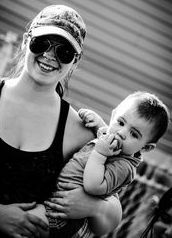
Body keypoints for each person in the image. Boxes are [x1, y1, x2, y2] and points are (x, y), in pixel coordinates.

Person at [0, 4, 122, 238]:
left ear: (75, 61)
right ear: (25, 41)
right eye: (42, 43)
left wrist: (94, 206)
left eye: (64, 52)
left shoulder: (77, 131)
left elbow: (109, 220)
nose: (49, 56)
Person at [28, 91, 170, 237]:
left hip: (63, 214)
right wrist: (98, 122)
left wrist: (100, 154)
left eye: (134, 134)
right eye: (120, 122)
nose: (121, 133)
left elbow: (93, 186)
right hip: (55, 198)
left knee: (25, 222)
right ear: (113, 115)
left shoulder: (123, 166)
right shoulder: (111, 141)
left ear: (146, 147)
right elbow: (104, 132)